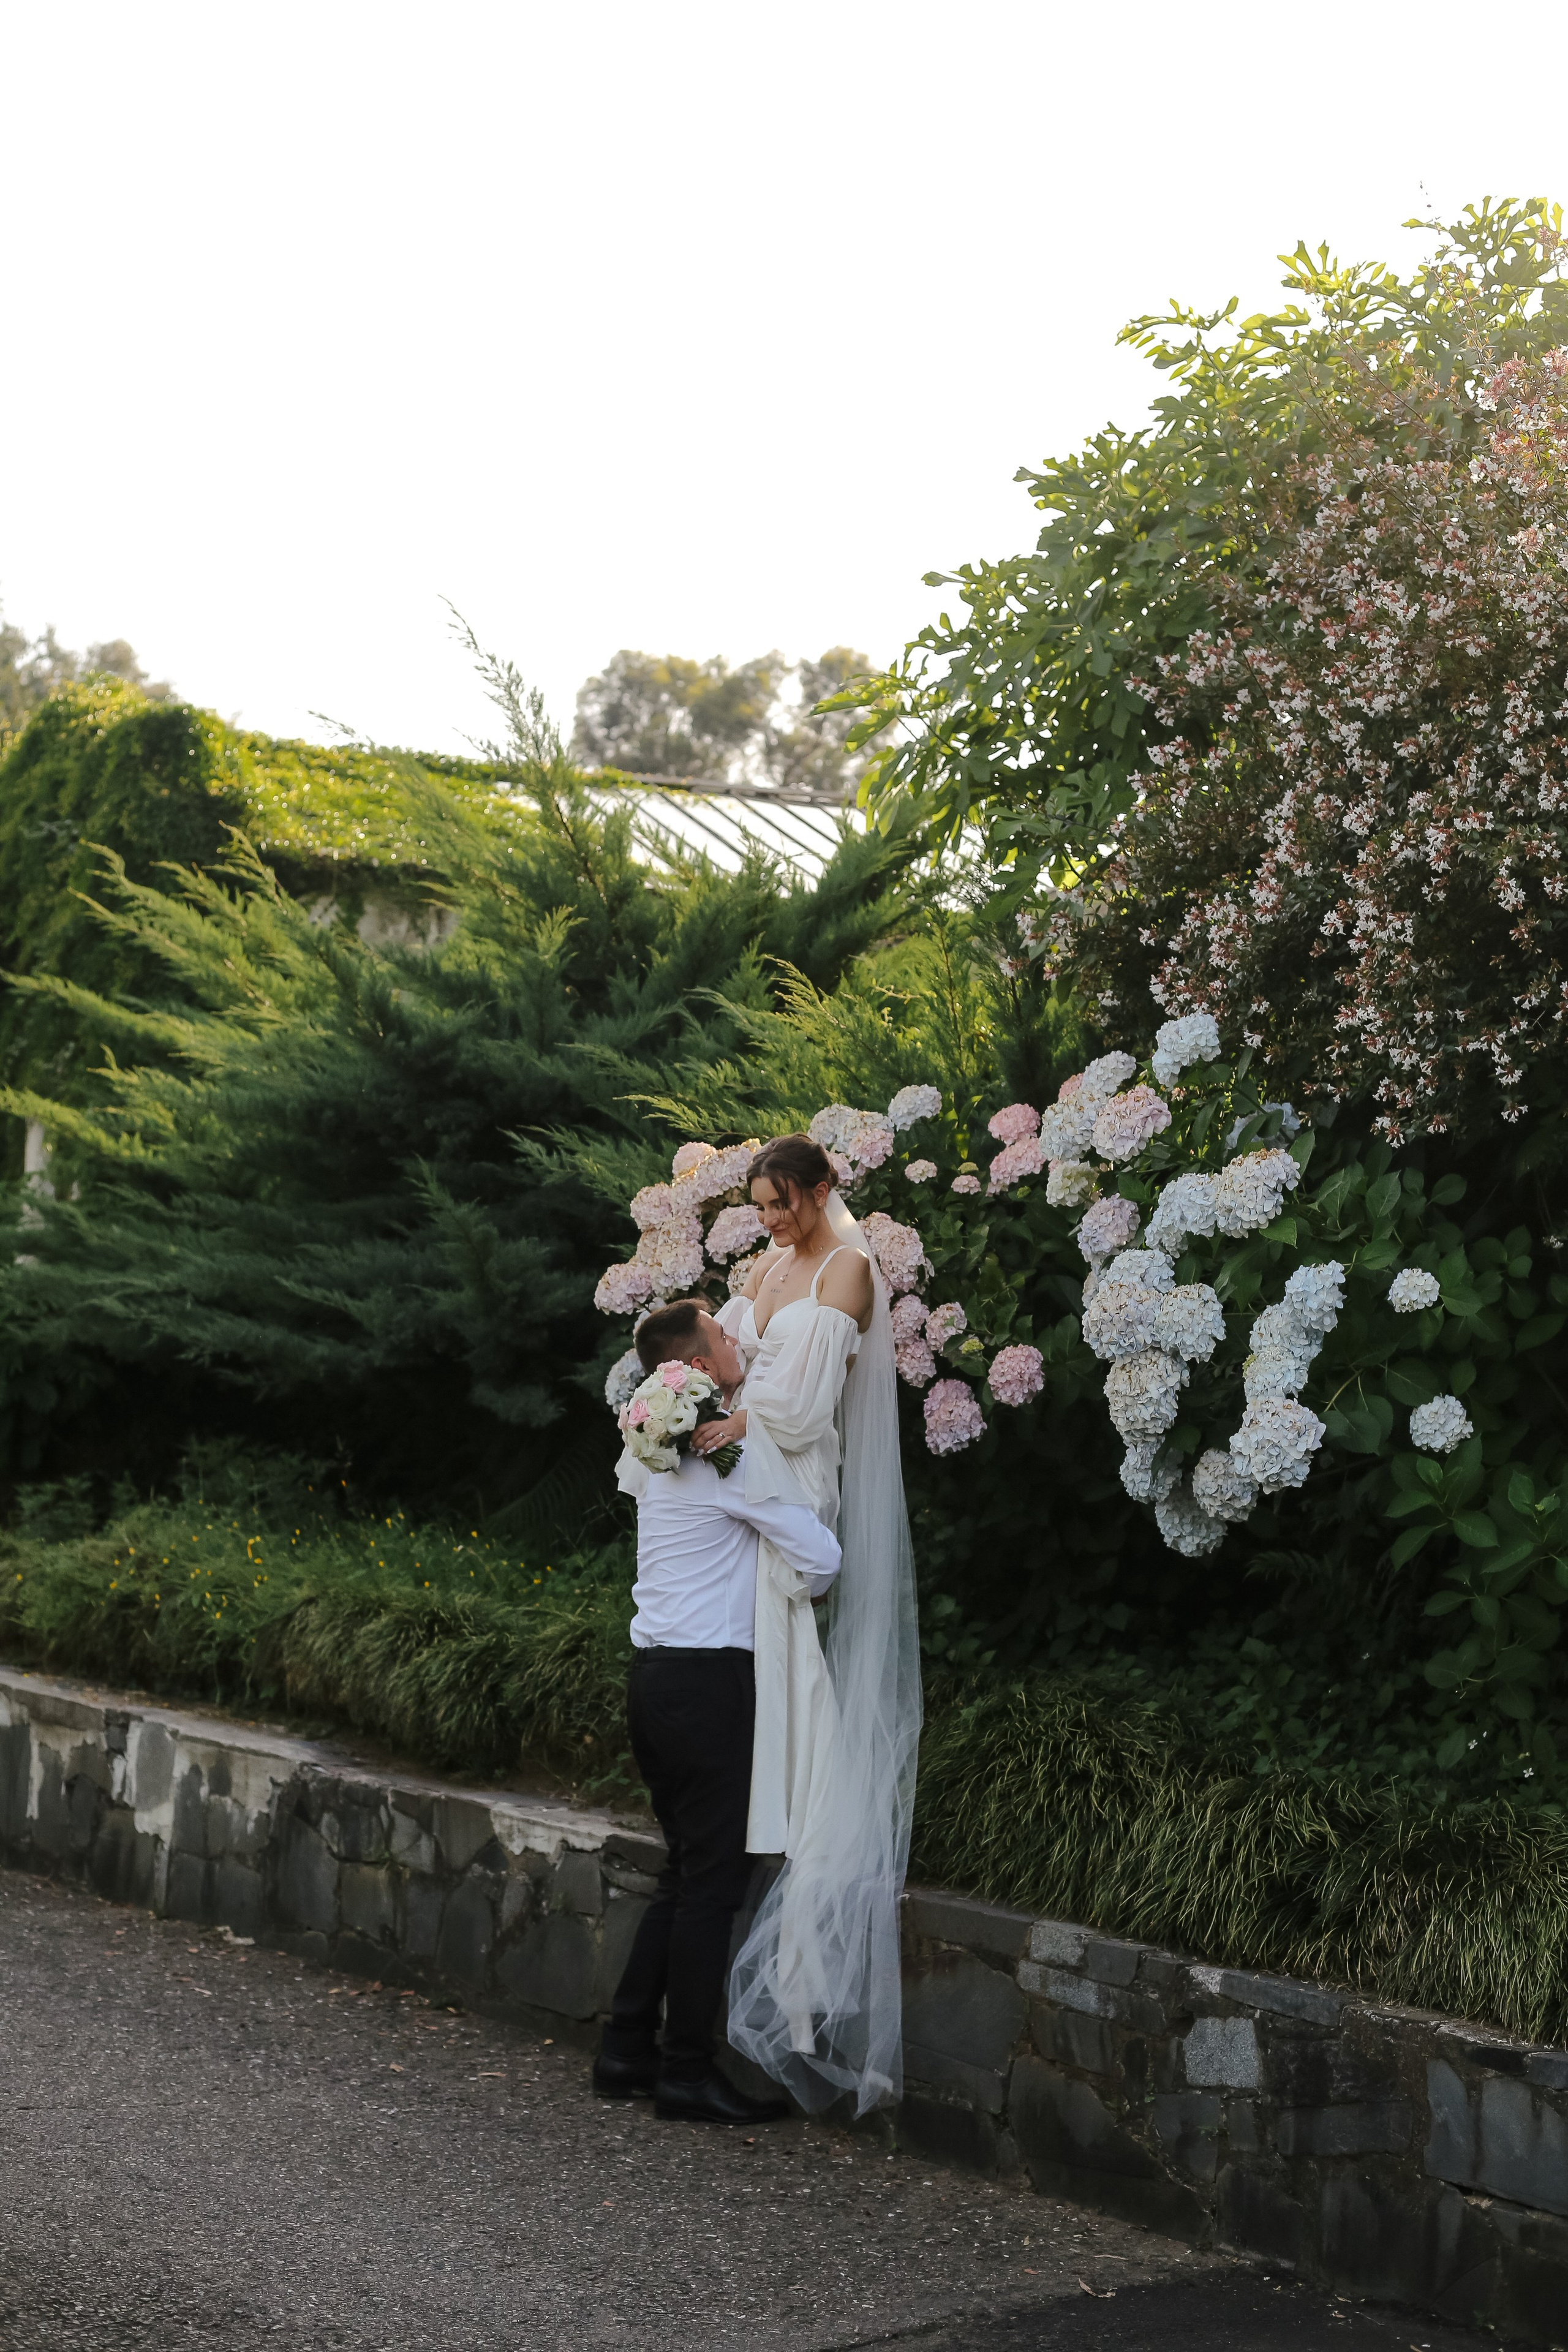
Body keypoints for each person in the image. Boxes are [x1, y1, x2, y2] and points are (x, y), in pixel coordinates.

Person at [693, 1134, 922, 2118]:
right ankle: (748, 1816)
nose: (768, 1220)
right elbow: (728, 1361)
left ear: (823, 1189)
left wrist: (724, 1417)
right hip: (744, 1479)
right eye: (760, 1206)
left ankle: (793, 1852)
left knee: (790, 1679)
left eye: (780, 1204)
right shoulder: (766, 1263)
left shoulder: (849, 1270)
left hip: (793, 1485)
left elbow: (796, 1401)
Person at [595, 1295, 843, 2125]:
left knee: (684, 1869)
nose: (739, 1337)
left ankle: (626, 2049)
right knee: (715, 1881)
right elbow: (824, 1556)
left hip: (655, 1681)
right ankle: (686, 2071)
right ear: (697, 1368)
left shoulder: (658, 1462)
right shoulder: (722, 1465)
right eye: (723, 1334)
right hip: (708, 1686)